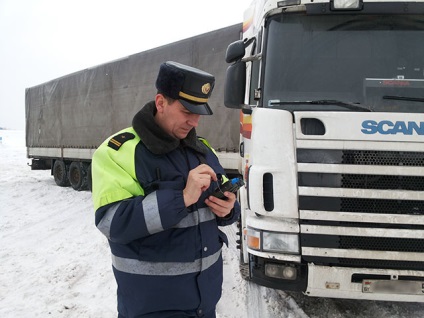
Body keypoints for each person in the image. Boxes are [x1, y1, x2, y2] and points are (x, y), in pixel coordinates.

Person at [91, 61, 241, 318]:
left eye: (199, 113)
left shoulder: (203, 150)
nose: (194, 121)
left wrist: (228, 209)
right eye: (186, 111)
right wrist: (181, 198)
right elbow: (112, 223)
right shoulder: (118, 151)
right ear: (161, 103)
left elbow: (219, 207)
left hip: (205, 304)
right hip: (152, 307)